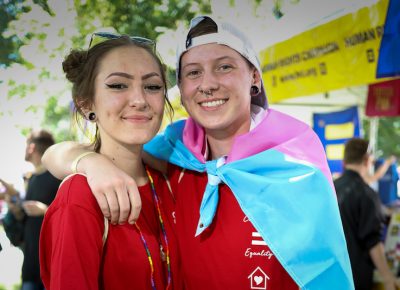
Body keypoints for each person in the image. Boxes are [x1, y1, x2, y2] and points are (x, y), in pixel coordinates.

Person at [42, 16, 354, 289]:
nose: (208, 84)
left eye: (225, 67)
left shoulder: (289, 165)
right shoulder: (177, 163)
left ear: (254, 76)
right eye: (193, 73)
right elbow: (60, 157)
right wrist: (85, 160)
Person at [39, 33, 180, 290]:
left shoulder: (170, 180)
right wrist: (89, 161)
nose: (139, 100)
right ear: (86, 104)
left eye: (152, 86)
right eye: (118, 85)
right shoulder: (79, 196)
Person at [334, 138, 400, 290]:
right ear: (367, 159)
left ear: (345, 160)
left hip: (331, 273)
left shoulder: (329, 188)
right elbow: (373, 242)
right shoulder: (366, 194)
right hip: (355, 277)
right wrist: (388, 278)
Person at [1, 129, 61, 290]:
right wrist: (17, 211)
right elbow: (25, 219)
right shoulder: (31, 178)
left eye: (26, 144)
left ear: (31, 148)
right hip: (31, 266)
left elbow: (73, 216)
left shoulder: (58, 176)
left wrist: (45, 210)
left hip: (54, 267)